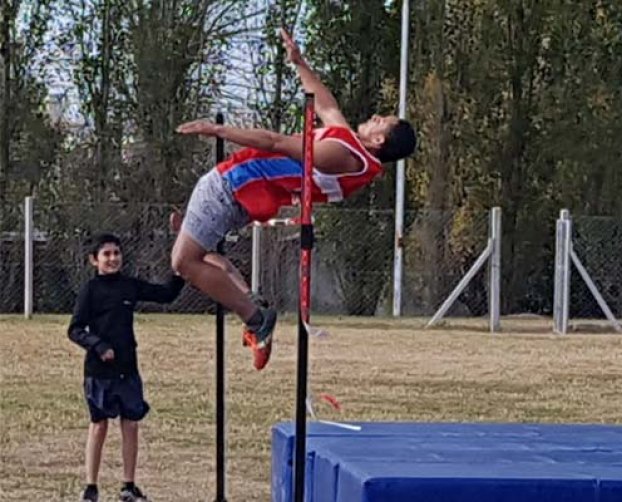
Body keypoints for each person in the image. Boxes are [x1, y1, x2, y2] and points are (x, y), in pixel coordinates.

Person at [172, 28, 417, 370]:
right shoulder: (354, 152)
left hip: (232, 184)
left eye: (382, 121)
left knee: (183, 263)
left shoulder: (343, 154)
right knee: (198, 255)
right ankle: (245, 294)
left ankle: (254, 316)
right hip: (245, 194)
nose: (375, 116)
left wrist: (220, 131)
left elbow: (274, 142)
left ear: (378, 140)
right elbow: (325, 103)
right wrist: (300, 63)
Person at [68, 233, 185, 502]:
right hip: (99, 372)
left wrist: (182, 269)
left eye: (116, 253)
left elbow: (165, 295)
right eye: (106, 254)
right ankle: (91, 487)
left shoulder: (129, 286)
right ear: (94, 260)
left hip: (127, 369)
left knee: (130, 424)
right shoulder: (90, 291)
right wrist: (98, 346)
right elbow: (74, 329)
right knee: (99, 425)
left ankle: (128, 486)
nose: (112, 259)